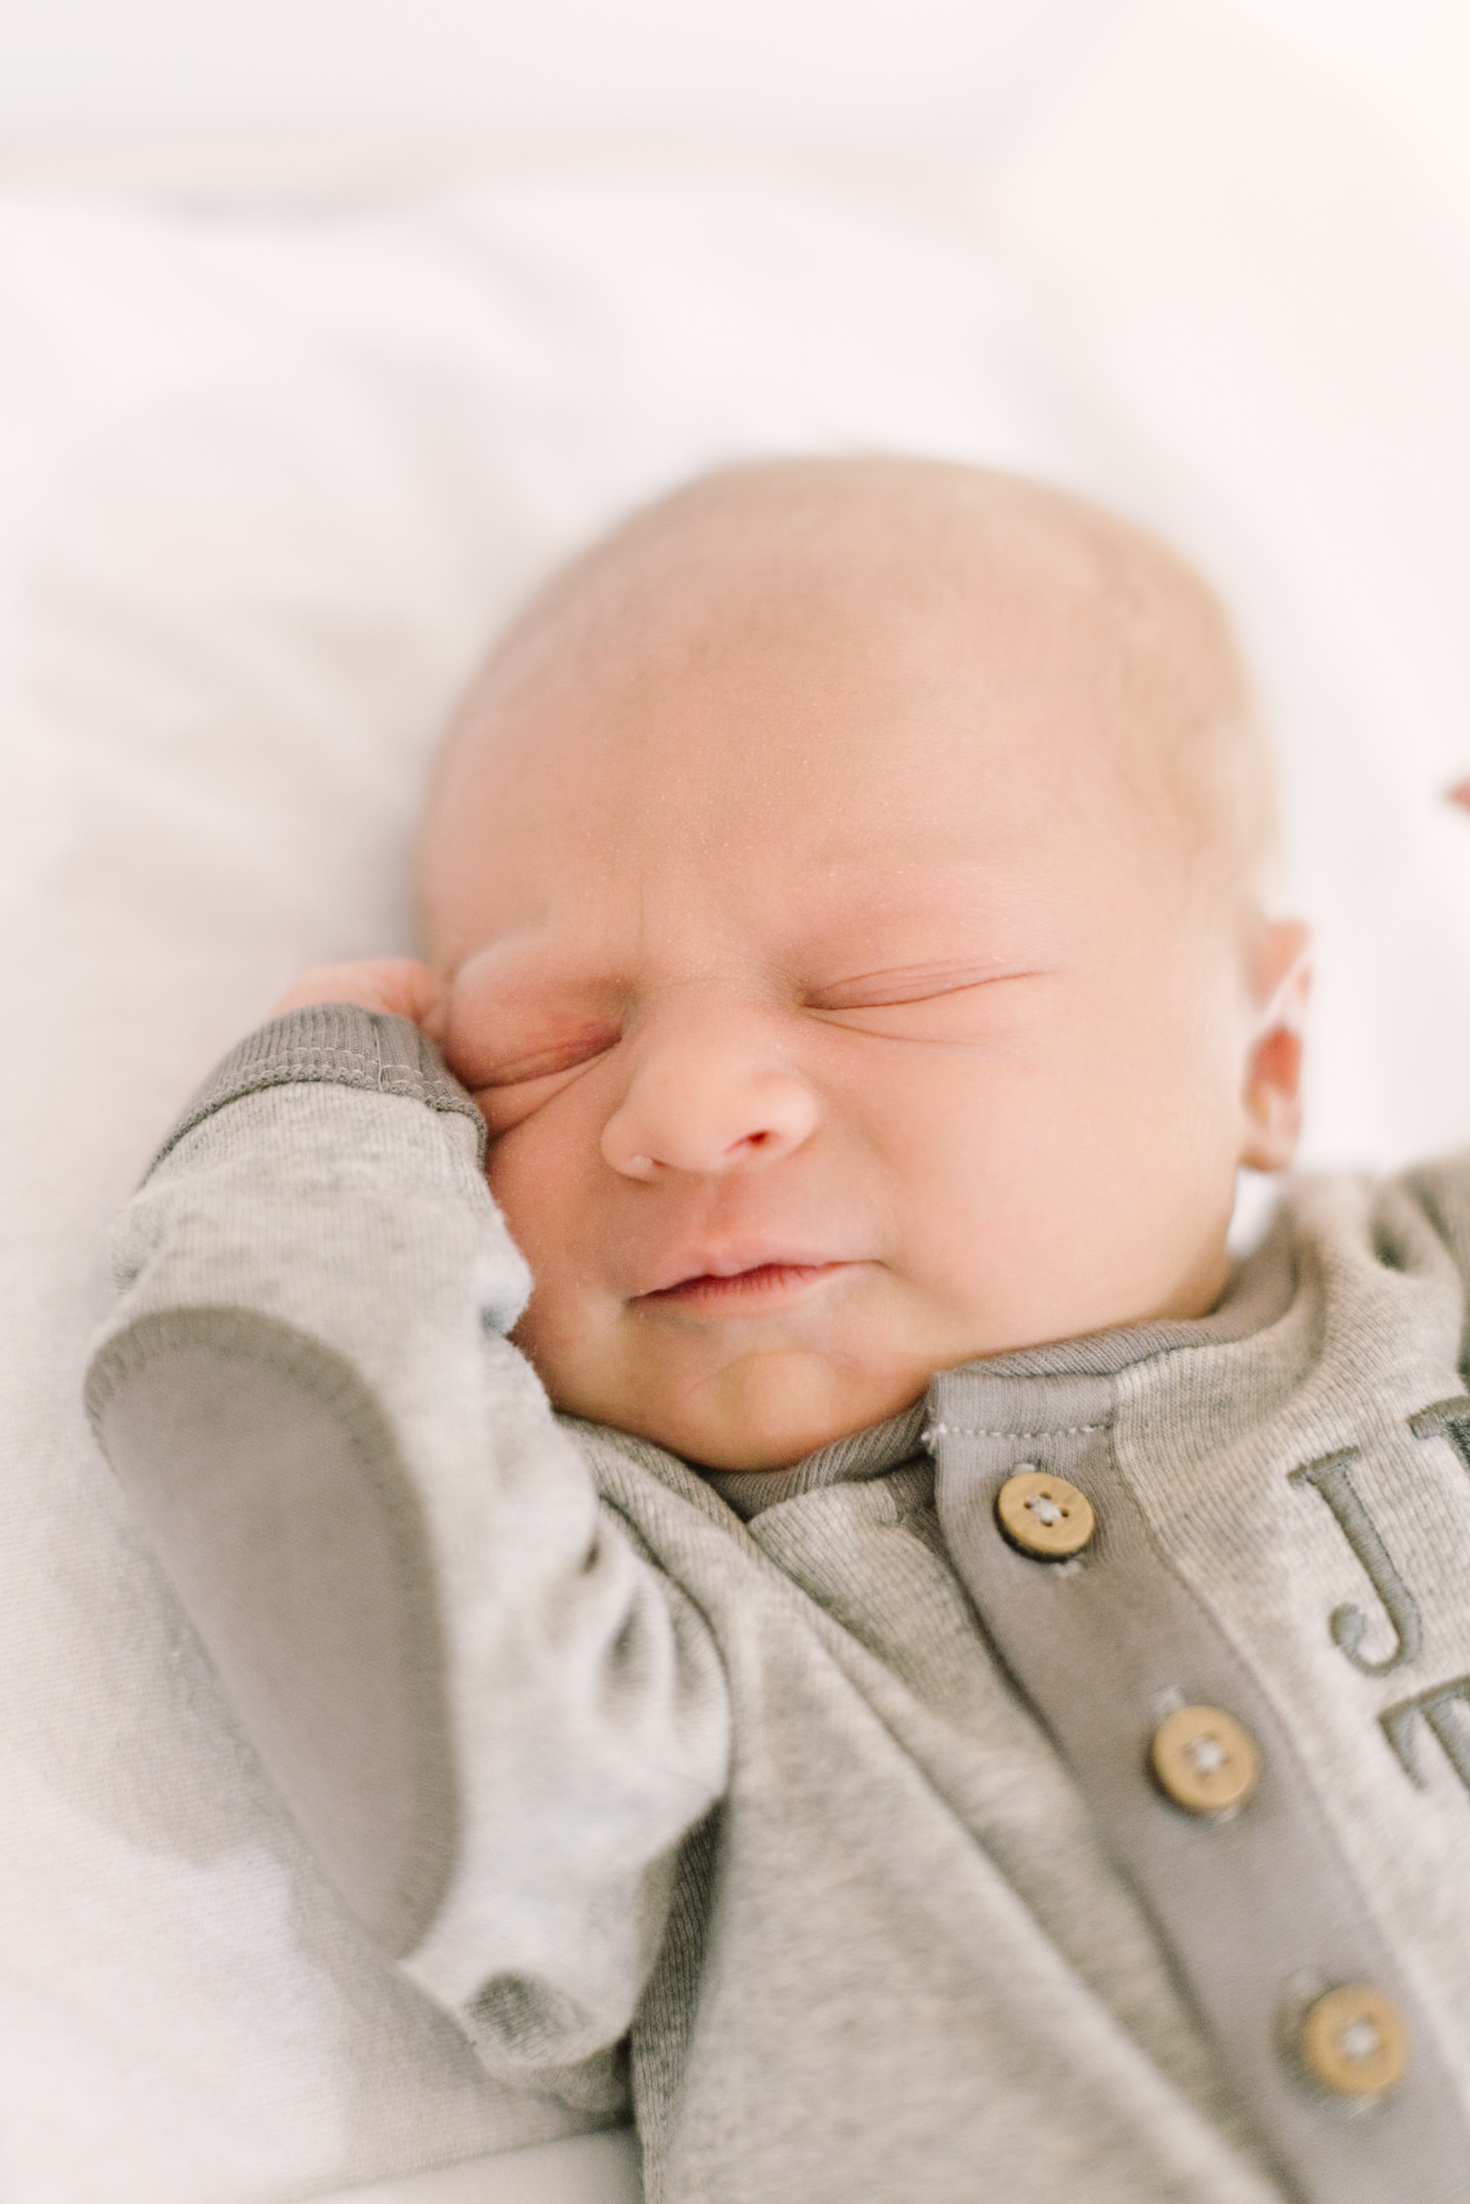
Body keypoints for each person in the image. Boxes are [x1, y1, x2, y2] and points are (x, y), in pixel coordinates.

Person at [85, 459, 1470, 2204]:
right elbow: (294, 1442)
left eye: (888, 984)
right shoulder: (660, 1615)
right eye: (533, 1049)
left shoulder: (1424, 1298)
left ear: (1264, 1062)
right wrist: (319, 1136)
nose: (681, 1103)